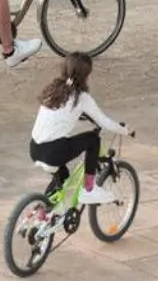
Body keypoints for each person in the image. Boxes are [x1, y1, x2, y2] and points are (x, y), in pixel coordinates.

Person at [29, 52, 131, 204]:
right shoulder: (81, 97)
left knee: (62, 175)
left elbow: (60, 114)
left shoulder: (53, 90)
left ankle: (43, 211)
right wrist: (126, 130)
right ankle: (88, 190)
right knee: (93, 139)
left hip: (35, 149)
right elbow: (104, 122)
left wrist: (79, 115)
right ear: (85, 76)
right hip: (53, 151)